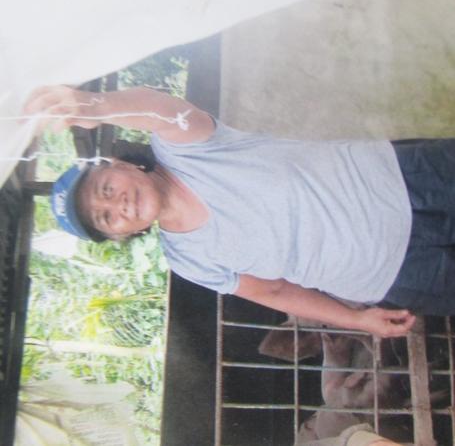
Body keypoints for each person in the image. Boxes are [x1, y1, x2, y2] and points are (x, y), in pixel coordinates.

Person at [26, 85, 455, 337]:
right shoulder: (189, 259)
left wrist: (93, 107)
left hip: (409, 181)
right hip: (401, 275)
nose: (116, 205)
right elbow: (274, 292)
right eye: (105, 218)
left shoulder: (187, 148)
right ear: (119, 234)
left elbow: (159, 111)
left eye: (105, 189)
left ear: (119, 165)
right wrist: (356, 319)